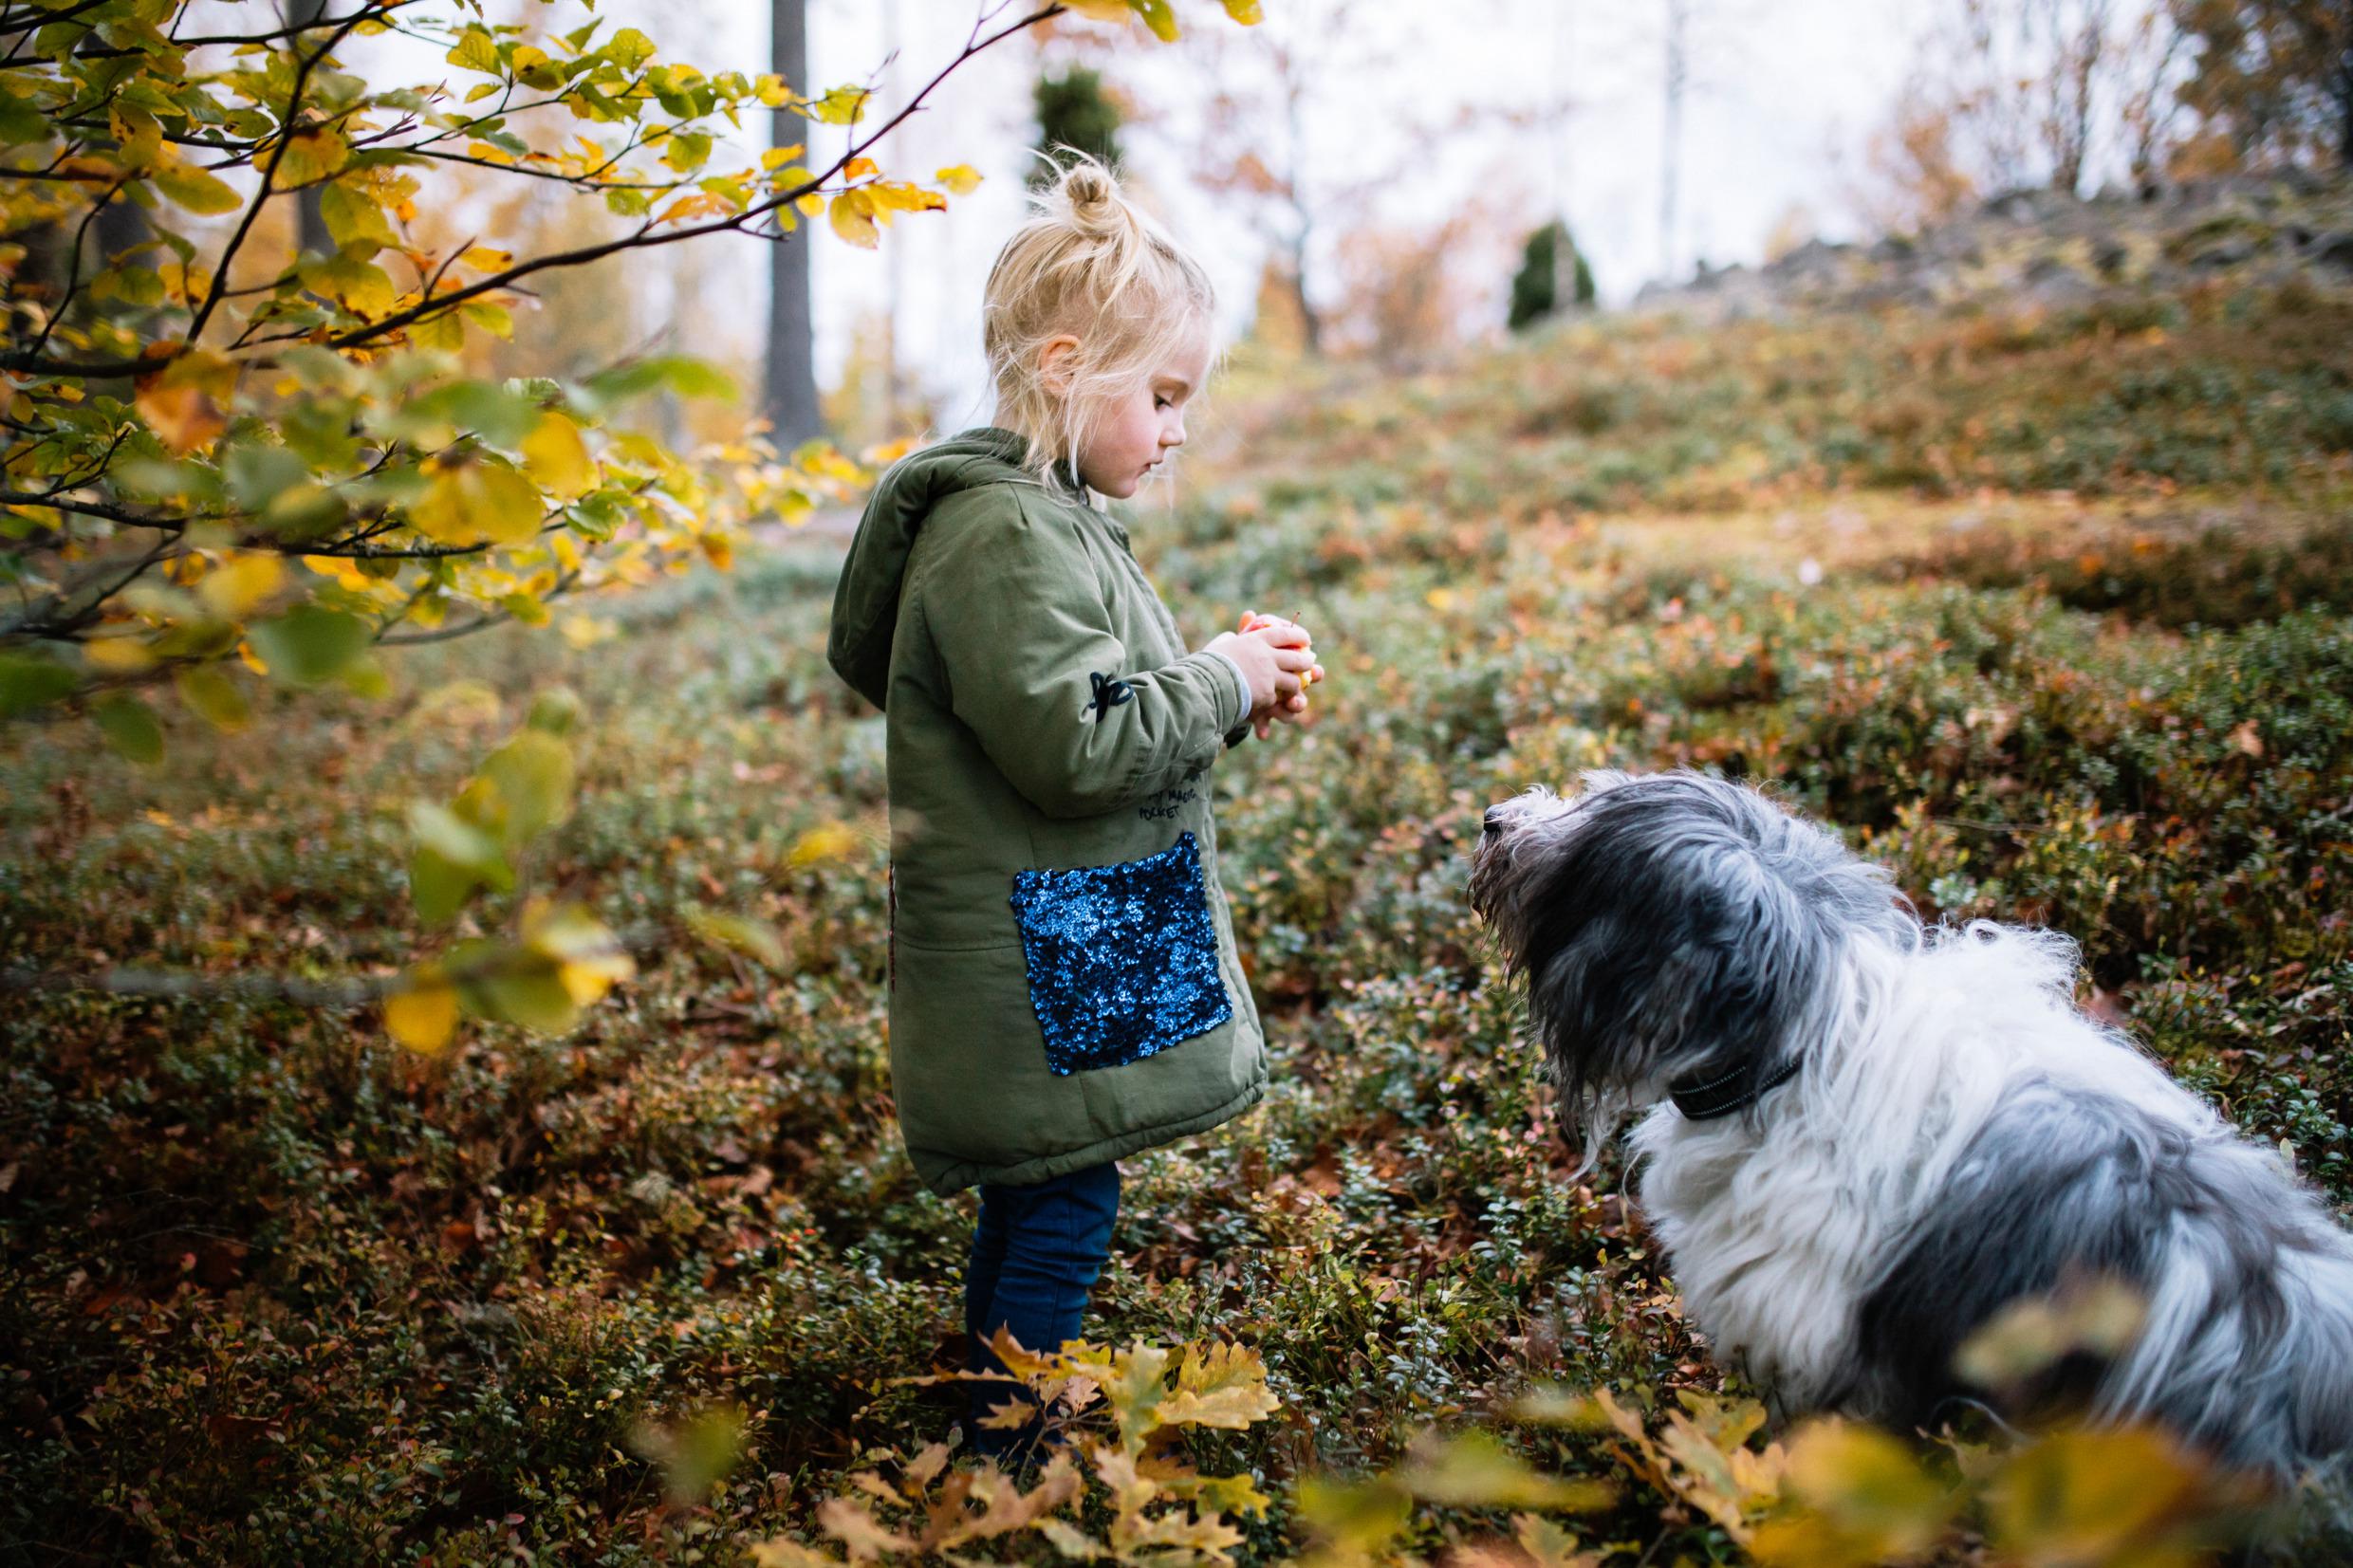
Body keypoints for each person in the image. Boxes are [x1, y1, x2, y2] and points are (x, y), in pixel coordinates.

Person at [824, 156, 1324, 1461]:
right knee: (1062, 1201)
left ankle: (982, 1418)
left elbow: (1095, 716)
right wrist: (1218, 677)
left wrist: (1226, 688)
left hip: (1073, 928)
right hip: (1040, 957)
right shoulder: (1005, 535)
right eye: (1160, 397)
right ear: (1062, 365)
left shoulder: (1053, 520)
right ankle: (1000, 1457)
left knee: (1041, 1191)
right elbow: (1075, 748)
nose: (1173, 431)